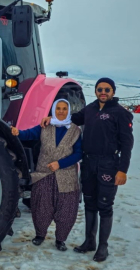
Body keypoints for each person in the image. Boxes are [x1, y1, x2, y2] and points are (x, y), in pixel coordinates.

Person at [41, 78, 134, 261]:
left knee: (105, 206)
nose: (103, 92)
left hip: (108, 164)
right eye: (100, 89)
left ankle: (103, 247)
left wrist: (122, 170)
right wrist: (52, 118)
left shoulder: (120, 113)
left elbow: (127, 143)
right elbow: (71, 118)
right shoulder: (90, 109)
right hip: (88, 163)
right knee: (90, 204)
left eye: (107, 89)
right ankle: (89, 241)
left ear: (113, 92)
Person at [11, 99, 82, 251]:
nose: (61, 111)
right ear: (53, 110)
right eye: (58, 109)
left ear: (68, 111)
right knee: (41, 206)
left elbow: (78, 154)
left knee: (66, 209)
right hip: (44, 173)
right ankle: (40, 235)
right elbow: (29, 134)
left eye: (64, 109)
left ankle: (60, 240)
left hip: (66, 176)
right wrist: (18, 132)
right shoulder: (45, 126)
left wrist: (60, 164)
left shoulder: (75, 131)